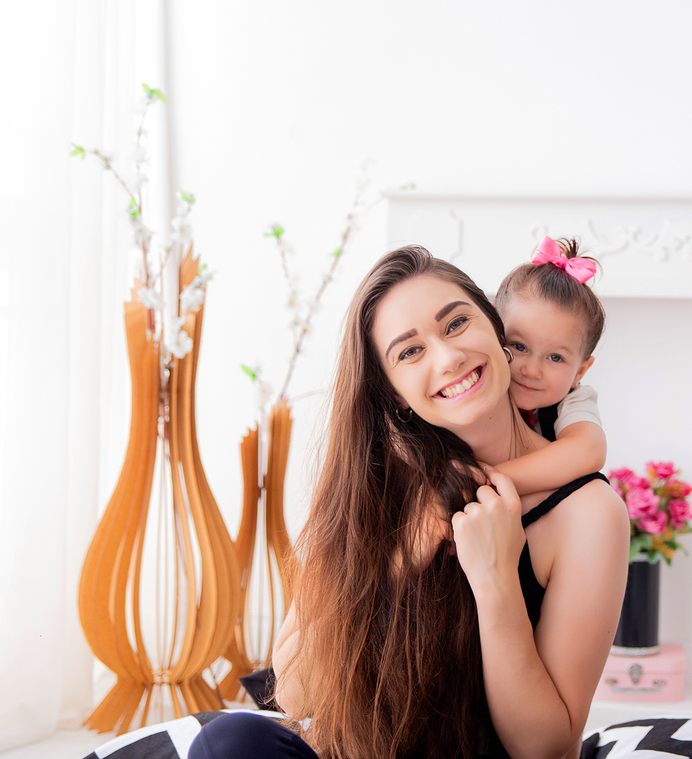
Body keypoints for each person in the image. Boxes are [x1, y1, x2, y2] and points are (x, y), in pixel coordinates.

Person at [188, 246, 629, 759]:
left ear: (493, 328)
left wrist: (495, 582)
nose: (448, 358)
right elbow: (294, 691)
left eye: (457, 323)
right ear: (393, 391)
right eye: (409, 352)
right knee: (231, 741)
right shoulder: (372, 487)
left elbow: (545, 750)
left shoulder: (587, 513)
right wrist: (396, 562)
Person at [492, 236, 608, 495]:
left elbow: (588, 450)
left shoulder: (574, 400)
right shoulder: (479, 380)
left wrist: (487, 480)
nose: (531, 370)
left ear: (580, 371)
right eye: (519, 346)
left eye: (555, 357)